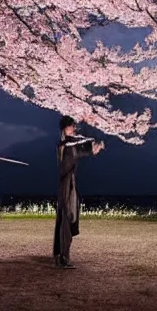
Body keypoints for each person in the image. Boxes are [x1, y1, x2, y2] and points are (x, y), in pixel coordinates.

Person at [54, 115, 105, 269]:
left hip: (68, 184)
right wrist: (93, 148)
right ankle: (63, 256)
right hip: (67, 185)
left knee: (66, 218)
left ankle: (60, 255)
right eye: (71, 127)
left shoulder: (66, 145)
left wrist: (93, 148)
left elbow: (80, 149)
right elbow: (78, 150)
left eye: (74, 126)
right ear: (64, 129)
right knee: (67, 219)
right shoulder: (66, 146)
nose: (74, 129)